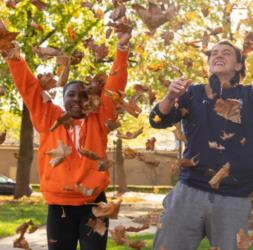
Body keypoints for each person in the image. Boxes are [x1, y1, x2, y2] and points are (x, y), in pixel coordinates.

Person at [3, 31, 131, 250]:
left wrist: (121, 50)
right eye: (71, 94)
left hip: (94, 205)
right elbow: (29, 88)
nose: (77, 100)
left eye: (83, 95)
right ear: (63, 98)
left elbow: (114, 90)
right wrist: (13, 54)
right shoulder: (49, 118)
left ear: (91, 99)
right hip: (59, 207)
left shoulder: (100, 120)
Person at [149, 40, 253, 250]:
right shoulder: (192, 94)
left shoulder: (249, 96)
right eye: (213, 53)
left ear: (239, 65)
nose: (218, 55)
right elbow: (156, 120)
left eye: (226, 53)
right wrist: (170, 96)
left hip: (234, 197)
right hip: (189, 190)